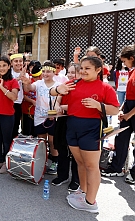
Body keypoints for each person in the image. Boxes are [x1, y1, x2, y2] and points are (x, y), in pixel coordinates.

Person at [53, 56, 119, 213]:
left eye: (87, 68)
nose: (83, 71)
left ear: (98, 70)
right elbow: (55, 93)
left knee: (91, 166)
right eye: (81, 68)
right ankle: (82, 192)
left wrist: (98, 105)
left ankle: (91, 202)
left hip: (92, 129)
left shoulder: (105, 88)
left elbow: (115, 110)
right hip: (72, 128)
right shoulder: (73, 84)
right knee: (80, 163)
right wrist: (57, 92)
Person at [101, 45, 135, 183]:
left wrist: (129, 114)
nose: (124, 64)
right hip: (128, 106)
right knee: (121, 138)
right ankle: (116, 167)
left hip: (133, 110)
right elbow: (128, 95)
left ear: (132, 58)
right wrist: (122, 109)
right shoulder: (131, 71)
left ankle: (133, 173)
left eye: (125, 61)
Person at [22, 62, 61, 175]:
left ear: (54, 72)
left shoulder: (58, 85)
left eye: (48, 71)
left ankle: (55, 162)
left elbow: (60, 100)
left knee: (52, 141)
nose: (45, 74)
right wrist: (26, 82)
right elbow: (29, 88)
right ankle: (43, 161)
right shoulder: (38, 83)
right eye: (43, 71)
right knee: (42, 141)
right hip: (39, 116)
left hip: (53, 117)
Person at [51, 62, 80, 192]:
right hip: (62, 120)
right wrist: (57, 106)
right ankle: (62, 175)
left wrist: (64, 107)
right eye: (69, 72)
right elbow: (58, 98)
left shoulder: (82, 87)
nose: (70, 75)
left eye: (73, 72)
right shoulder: (66, 85)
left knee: (75, 152)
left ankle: (76, 179)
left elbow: (80, 104)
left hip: (76, 121)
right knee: (62, 148)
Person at [21, 64, 42, 137]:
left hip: (38, 112)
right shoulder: (28, 80)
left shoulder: (43, 82)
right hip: (27, 111)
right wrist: (32, 101)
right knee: (27, 133)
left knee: (36, 133)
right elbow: (24, 95)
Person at [10, 53, 26, 138]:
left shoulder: (25, 73)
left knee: (16, 125)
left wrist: (25, 81)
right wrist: (19, 77)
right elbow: (8, 83)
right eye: (16, 61)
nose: (18, 63)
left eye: (20, 61)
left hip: (19, 102)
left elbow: (26, 89)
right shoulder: (9, 72)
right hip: (9, 101)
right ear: (11, 63)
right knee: (8, 126)